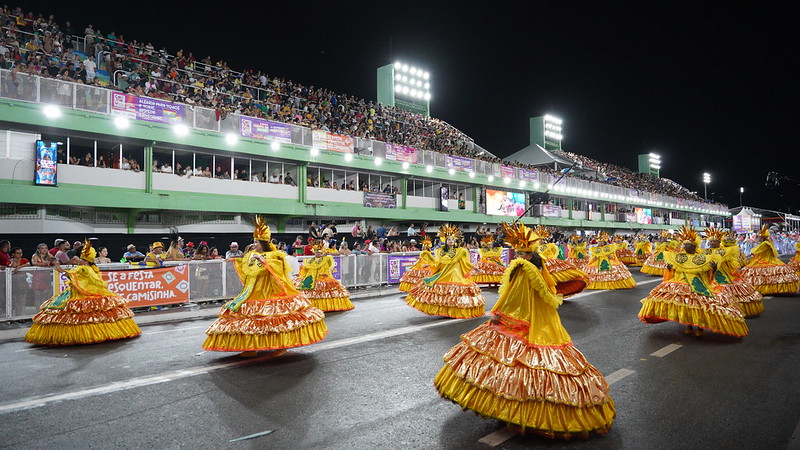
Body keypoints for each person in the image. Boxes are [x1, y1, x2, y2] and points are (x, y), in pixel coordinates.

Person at [433, 222, 615, 439]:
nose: (518, 255)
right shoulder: (534, 267)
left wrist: (500, 312)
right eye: (517, 251)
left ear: (528, 254)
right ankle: (520, 410)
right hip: (539, 321)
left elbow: (516, 297)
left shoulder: (525, 269)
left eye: (521, 252)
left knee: (516, 363)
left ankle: (522, 410)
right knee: (524, 364)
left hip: (525, 321)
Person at [203, 216, 328, 357]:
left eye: (256, 241)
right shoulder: (252, 255)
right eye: (254, 241)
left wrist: (263, 260)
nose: (254, 244)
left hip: (270, 292)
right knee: (250, 321)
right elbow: (246, 265)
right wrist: (234, 260)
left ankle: (281, 346)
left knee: (274, 321)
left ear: (263, 242)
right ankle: (250, 348)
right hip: (253, 292)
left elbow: (278, 269)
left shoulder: (274, 255)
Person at [25, 239, 142, 345]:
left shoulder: (84, 268)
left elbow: (73, 277)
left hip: (81, 294)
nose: (79, 260)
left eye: (81, 259)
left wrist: (60, 270)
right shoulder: (91, 268)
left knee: (79, 316)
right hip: (83, 292)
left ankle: (86, 335)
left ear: (85, 260)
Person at [638, 225, 748, 337]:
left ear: (694, 246)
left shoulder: (701, 257)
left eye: (689, 244)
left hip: (698, 284)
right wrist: (669, 268)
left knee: (699, 305)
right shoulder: (678, 257)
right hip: (680, 283)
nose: (686, 246)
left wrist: (713, 268)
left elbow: (707, 273)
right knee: (687, 306)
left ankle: (700, 327)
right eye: (685, 244)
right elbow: (672, 272)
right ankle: (689, 325)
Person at [405, 224, 485, 318]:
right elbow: (438, 263)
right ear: (446, 241)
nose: (451, 241)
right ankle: (446, 310)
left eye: (452, 239)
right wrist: (429, 264)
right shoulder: (441, 251)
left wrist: (474, 268)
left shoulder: (460, 251)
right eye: (449, 239)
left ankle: (455, 311)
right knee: (445, 292)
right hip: (445, 274)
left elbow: (465, 262)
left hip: (456, 274)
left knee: (456, 292)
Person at [704, 228, 764, 318]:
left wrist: (737, 267)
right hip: (710, 273)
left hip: (725, 272)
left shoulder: (725, 250)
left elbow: (733, 260)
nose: (712, 243)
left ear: (719, 241)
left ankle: (735, 309)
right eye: (711, 241)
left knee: (729, 287)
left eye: (714, 241)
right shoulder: (706, 251)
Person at [740, 225, 800, 294]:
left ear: (762, 238)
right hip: (763, 259)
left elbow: (756, 251)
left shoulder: (765, 244)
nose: (758, 238)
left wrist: (749, 254)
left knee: (764, 275)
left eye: (759, 237)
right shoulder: (766, 243)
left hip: (764, 260)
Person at [295, 241, 354, 312]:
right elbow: (305, 269)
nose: (318, 254)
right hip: (310, 277)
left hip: (322, 277)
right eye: (316, 252)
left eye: (319, 252)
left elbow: (327, 267)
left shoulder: (325, 259)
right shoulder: (310, 260)